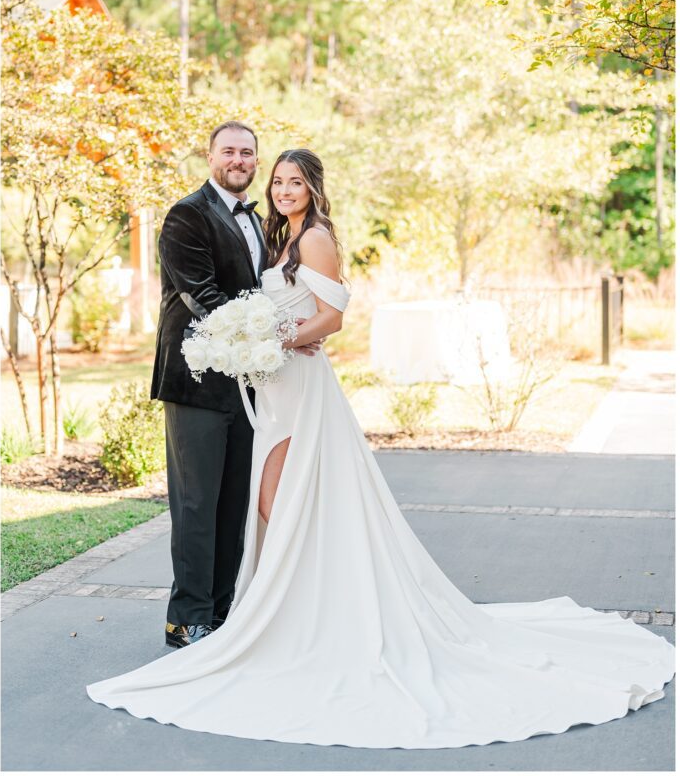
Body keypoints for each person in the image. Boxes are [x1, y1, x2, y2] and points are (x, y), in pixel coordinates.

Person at [89, 148, 674, 749]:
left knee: (281, 502)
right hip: (275, 385)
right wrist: (261, 340)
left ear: (314, 188)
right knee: (274, 504)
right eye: (279, 182)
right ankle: (285, 610)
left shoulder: (314, 237)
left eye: (295, 181)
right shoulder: (277, 235)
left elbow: (334, 315)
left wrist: (280, 339)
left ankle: (304, 616)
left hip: (297, 383)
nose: (285, 190)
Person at [151, 120, 268, 649]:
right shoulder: (186, 215)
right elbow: (202, 296)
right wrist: (277, 334)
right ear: (210, 156)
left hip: (247, 385)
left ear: (256, 162)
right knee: (197, 504)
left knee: (233, 504)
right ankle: (187, 620)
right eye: (229, 151)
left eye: (247, 153)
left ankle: (221, 613)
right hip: (196, 381)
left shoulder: (260, 221)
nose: (238, 160)